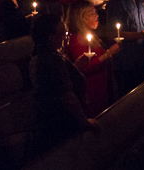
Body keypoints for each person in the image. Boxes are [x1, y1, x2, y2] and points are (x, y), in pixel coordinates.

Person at [30, 14, 99, 150]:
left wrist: (75, 67)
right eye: (63, 33)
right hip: (62, 123)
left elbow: (52, 82)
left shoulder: (38, 56)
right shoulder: (54, 60)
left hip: (48, 123)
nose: (66, 37)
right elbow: (67, 97)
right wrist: (84, 121)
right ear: (51, 37)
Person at [65, 0, 122, 117]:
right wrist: (108, 53)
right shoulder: (77, 38)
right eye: (91, 14)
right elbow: (85, 68)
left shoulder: (89, 33)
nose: (97, 15)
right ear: (80, 18)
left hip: (101, 84)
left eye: (95, 12)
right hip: (91, 89)